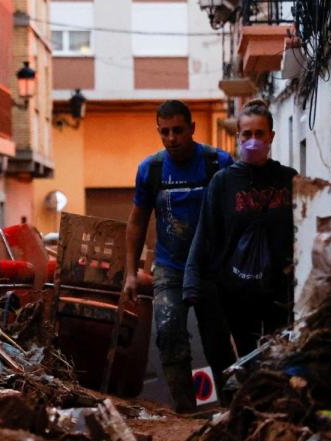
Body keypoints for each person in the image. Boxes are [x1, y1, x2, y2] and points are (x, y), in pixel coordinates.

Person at [184, 98, 298, 403]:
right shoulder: (222, 183)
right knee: (247, 358)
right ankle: (249, 417)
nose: (252, 141)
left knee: (277, 356)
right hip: (236, 291)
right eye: (246, 134)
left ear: (271, 137)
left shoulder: (289, 180)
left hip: (279, 289)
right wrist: (192, 281)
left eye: (259, 134)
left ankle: (275, 414)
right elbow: (205, 234)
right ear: (238, 137)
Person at [123, 100, 233, 413]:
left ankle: (229, 407)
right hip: (169, 268)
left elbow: (235, 218)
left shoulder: (218, 163)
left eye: (178, 130)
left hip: (211, 268)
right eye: (165, 132)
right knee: (169, 333)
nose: (172, 138)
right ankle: (186, 411)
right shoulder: (151, 169)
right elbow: (137, 222)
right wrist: (131, 272)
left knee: (217, 340)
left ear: (192, 128)